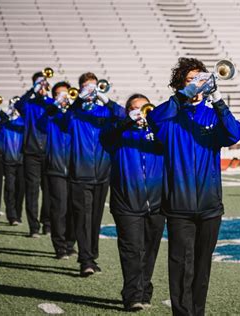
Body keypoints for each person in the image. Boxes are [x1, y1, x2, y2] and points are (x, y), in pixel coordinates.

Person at [148, 57, 240, 316]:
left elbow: (234, 134)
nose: (196, 85)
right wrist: (181, 98)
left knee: (202, 266)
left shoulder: (212, 113)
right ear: (180, 84)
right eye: (190, 80)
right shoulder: (169, 117)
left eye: (200, 80)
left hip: (210, 206)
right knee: (180, 265)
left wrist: (219, 100)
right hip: (178, 206)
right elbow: (153, 120)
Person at [103, 93, 165, 311]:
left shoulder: (158, 134)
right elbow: (106, 137)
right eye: (135, 108)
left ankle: (144, 290)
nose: (140, 112)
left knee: (150, 251)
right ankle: (132, 296)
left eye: (143, 108)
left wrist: (156, 122)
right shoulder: (119, 134)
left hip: (157, 204)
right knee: (132, 251)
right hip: (126, 204)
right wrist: (128, 120)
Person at [68, 72, 124, 277]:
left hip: (102, 173)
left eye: (94, 86)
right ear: (81, 88)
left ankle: (91, 256)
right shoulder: (74, 114)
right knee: (83, 218)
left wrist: (105, 99)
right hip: (80, 173)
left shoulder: (105, 113)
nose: (91, 90)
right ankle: (85, 260)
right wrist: (77, 101)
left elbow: (123, 116)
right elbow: (62, 121)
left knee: (95, 218)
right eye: (87, 87)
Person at [41, 81, 76, 259]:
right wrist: (54, 106)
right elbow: (40, 124)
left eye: (65, 94)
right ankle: (60, 246)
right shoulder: (50, 116)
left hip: (75, 169)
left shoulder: (74, 114)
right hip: (55, 169)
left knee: (73, 210)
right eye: (59, 94)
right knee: (59, 209)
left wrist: (71, 106)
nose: (63, 97)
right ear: (54, 96)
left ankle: (70, 243)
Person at [14, 72, 52, 237]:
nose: (42, 86)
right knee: (32, 191)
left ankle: (47, 224)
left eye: (44, 83)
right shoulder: (28, 104)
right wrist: (33, 89)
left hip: (50, 153)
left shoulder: (51, 103)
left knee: (49, 191)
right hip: (31, 153)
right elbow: (18, 105)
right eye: (39, 83)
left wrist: (46, 95)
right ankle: (33, 227)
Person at [2, 98, 25, 225]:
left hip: (22, 161)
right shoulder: (5, 122)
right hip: (8, 160)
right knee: (10, 188)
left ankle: (18, 214)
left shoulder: (23, 122)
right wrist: (8, 113)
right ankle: (12, 216)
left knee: (20, 189)